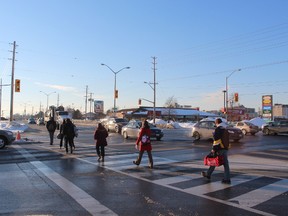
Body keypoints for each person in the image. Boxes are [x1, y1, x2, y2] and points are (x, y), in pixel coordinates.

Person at [201, 118, 231, 184]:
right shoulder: (225, 129)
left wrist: (214, 149)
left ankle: (209, 175)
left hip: (219, 148)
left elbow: (216, 140)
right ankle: (226, 178)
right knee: (224, 164)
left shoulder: (218, 129)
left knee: (214, 160)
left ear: (216, 123)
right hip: (225, 148)